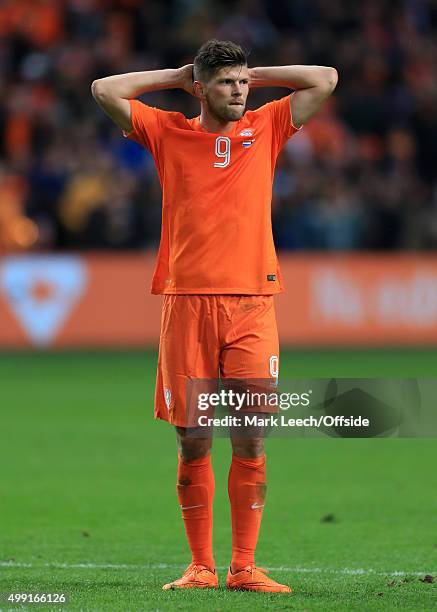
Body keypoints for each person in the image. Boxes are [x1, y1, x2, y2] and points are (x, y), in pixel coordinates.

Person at [92, 39, 337, 593]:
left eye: (243, 81)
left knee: (251, 437)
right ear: (200, 88)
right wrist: (177, 76)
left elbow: (324, 77)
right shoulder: (166, 132)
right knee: (194, 440)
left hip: (252, 302)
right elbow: (105, 89)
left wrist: (252, 72)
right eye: (226, 82)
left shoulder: (267, 127)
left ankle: (244, 567)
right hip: (185, 304)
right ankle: (201, 567)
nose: (240, 90)